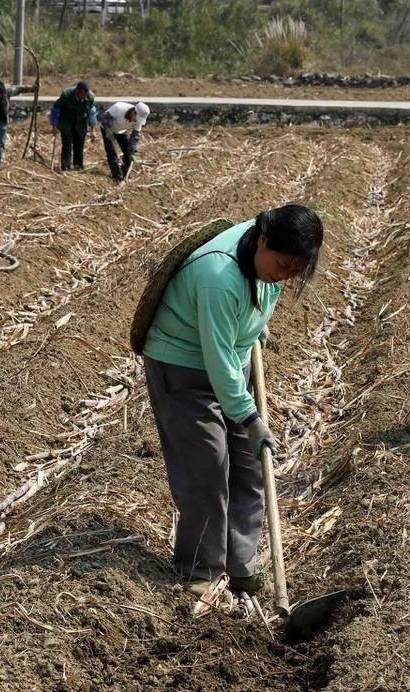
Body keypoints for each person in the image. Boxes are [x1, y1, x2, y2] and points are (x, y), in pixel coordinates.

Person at [141, 206, 323, 598]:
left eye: (295, 271)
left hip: (228, 360)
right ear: (262, 241)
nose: (284, 275)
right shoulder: (218, 277)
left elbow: (259, 293)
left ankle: (241, 565)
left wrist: (256, 324)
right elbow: (218, 361)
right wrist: (251, 417)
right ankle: (200, 570)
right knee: (207, 465)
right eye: (283, 265)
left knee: (250, 465)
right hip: (182, 365)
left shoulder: (266, 254)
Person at [50, 80, 98, 171]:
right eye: (82, 95)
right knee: (67, 143)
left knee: (79, 144)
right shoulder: (66, 95)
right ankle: (66, 166)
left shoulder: (90, 97)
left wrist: (93, 130)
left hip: (80, 123)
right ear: (77, 92)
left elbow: (92, 113)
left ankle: (78, 166)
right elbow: (55, 109)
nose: (84, 97)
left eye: (86, 95)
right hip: (66, 121)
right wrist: (54, 126)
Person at [99, 101, 150, 181]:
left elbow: (135, 136)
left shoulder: (138, 121)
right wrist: (107, 130)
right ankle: (117, 176)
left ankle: (126, 173)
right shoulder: (118, 108)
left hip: (121, 130)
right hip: (108, 129)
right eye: (136, 118)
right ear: (133, 111)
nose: (136, 120)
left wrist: (133, 149)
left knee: (128, 151)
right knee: (112, 152)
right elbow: (104, 118)